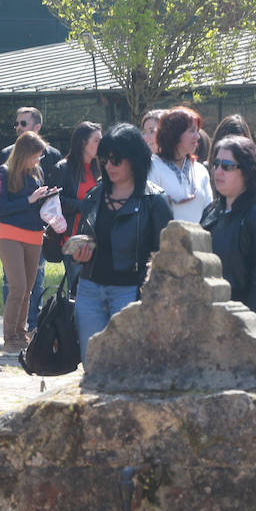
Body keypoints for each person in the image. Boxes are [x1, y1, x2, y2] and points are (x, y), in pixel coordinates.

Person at [67, 123, 173, 358]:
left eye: (116, 159)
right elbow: (88, 238)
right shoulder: (94, 195)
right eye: (104, 159)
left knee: (125, 363)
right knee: (92, 363)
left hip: (130, 292)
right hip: (90, 289)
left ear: (134, 159)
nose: (108, 165)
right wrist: (80, 254)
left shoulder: (155, 200)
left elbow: (165, 255)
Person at [200, 135, 256, 324]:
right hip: (209, 318)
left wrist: (247, 328)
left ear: (246, 171)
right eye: (216, 164)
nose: (218, 171)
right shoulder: (211, 211)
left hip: (243, 323)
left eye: (227, 166)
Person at [2, 106, 62, 330]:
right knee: (14, 283)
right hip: (11, 229)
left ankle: (31, 326)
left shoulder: (51, 157)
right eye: (16, 123)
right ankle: (11, 331)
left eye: (23, 124)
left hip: (38, 228)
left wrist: (49, 196)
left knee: (34, 280)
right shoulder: (5, 159)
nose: (18, 127)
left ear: (37, 127)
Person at [0, 131, 55, 354]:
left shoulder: (36, 172)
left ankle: (21, 334)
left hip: (34, 234)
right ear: (24, 153)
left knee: (28, 289)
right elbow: (0, 208)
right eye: (35, 156)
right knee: (17, 286)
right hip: (10, 234)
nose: (38, 160)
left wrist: (47, 197)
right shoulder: (4, 172)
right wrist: (29, 199)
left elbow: (35, 204)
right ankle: (9, 336)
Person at [148, 106, 212, 223]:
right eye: (192, 130)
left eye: (197, 131)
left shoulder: (200, 171)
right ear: (175, 134)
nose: (197, 136)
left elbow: (209, 213)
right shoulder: (153, 167)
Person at [52, 121, 102, 256]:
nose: (101, 145)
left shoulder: (103, 169)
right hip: (72, 241)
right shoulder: (63, 168)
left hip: (99, 241)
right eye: (97, 140)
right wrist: (83, 206)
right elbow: (55, 202)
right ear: (83, 142)